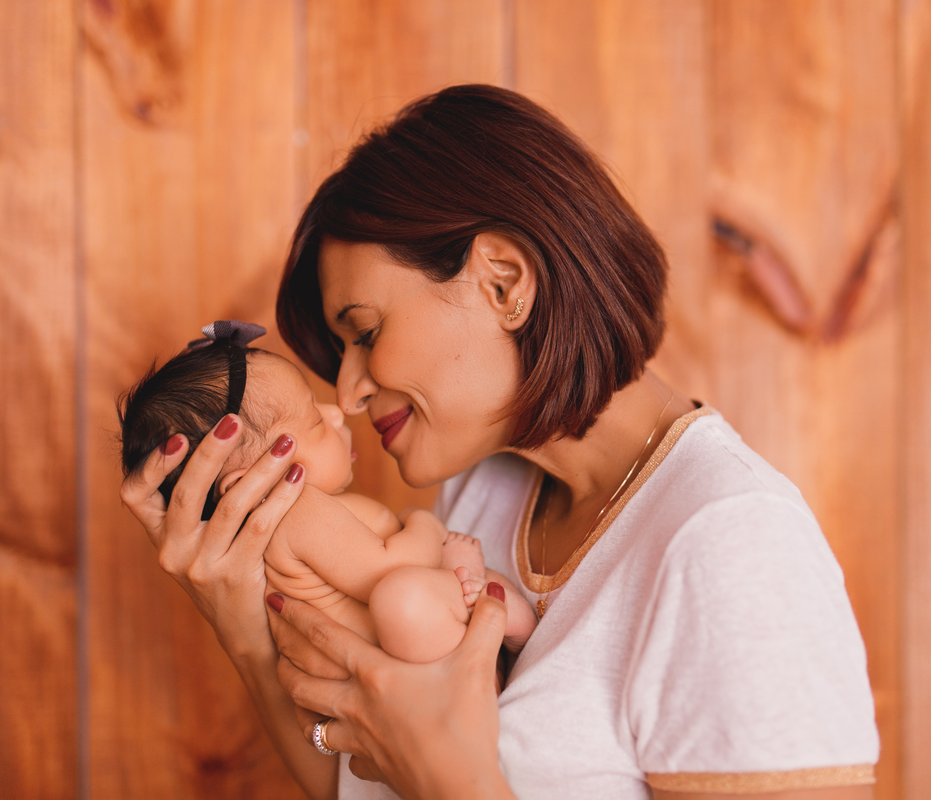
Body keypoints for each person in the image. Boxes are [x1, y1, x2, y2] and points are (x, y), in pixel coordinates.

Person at [121, 84, 879, 800]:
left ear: (504, 282)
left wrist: (450, 780)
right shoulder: (485, 493)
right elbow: (362, 790)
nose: (347, 395)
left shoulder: (730, 542)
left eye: (366, 332)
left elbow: (429, 777)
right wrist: (244, 627)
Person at [116, 320, 537, 665]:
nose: (337, 411)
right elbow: (397, 565)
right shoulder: (298, 513)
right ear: (252, 483)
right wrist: (423, 522)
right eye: (315, 422)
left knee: (428, 587)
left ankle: (485, 614)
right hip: (413, 656)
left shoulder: (282, 528)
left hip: (407, 664)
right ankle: (490, 617)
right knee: (404, 595)